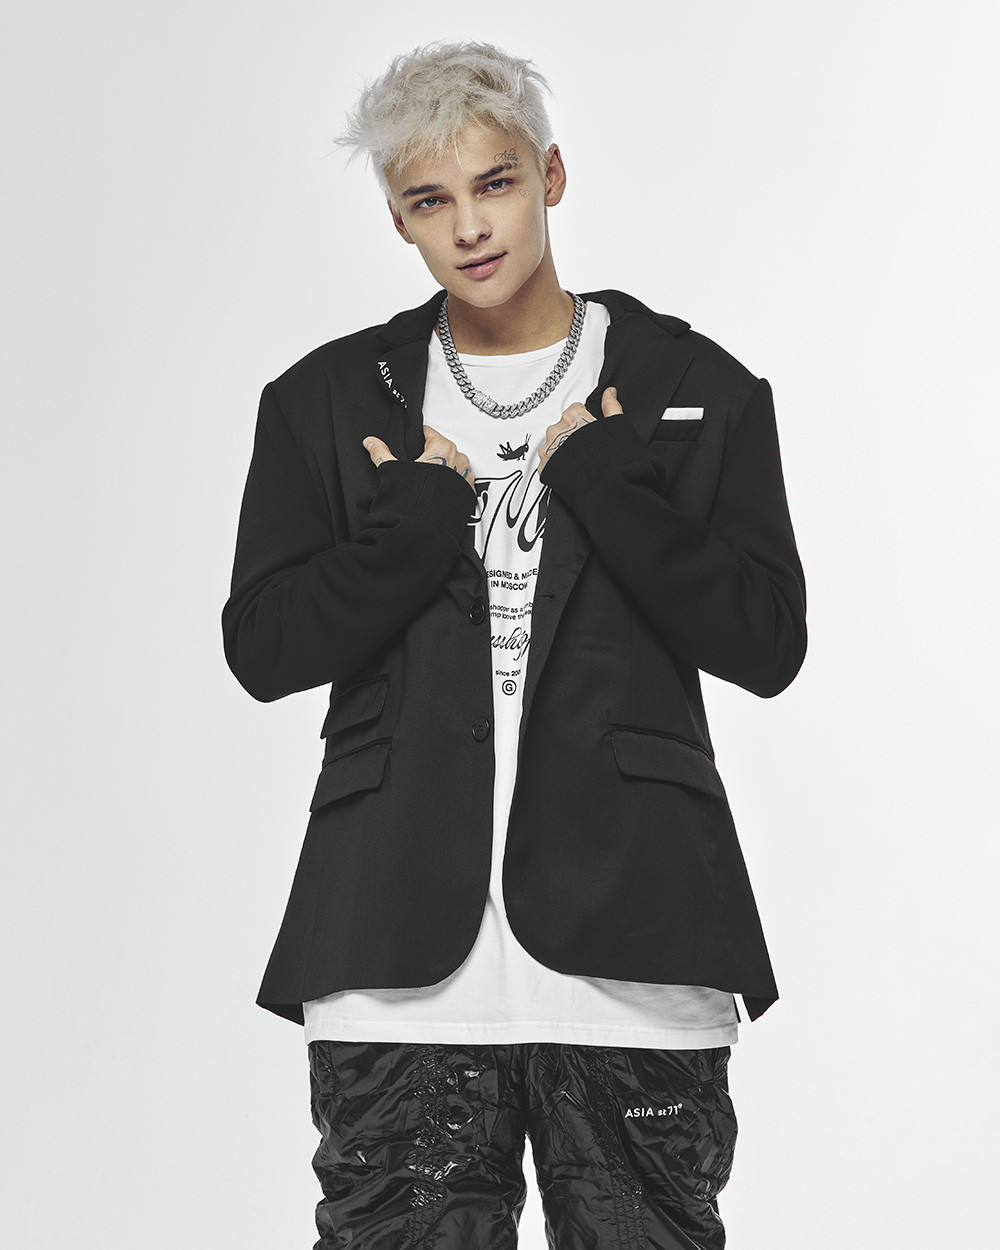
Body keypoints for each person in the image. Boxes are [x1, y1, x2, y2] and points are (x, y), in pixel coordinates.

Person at [222, 38, 806, 1250]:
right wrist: (414, 521)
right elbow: (264, 647)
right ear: (398, 219)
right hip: (394, 951)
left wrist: (606, 477)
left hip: (635, 948)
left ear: (550, 175)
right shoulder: (328, 401)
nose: (470, 226)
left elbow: (764, 640)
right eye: (431, 200)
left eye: (492, 183)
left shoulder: (692, 384)